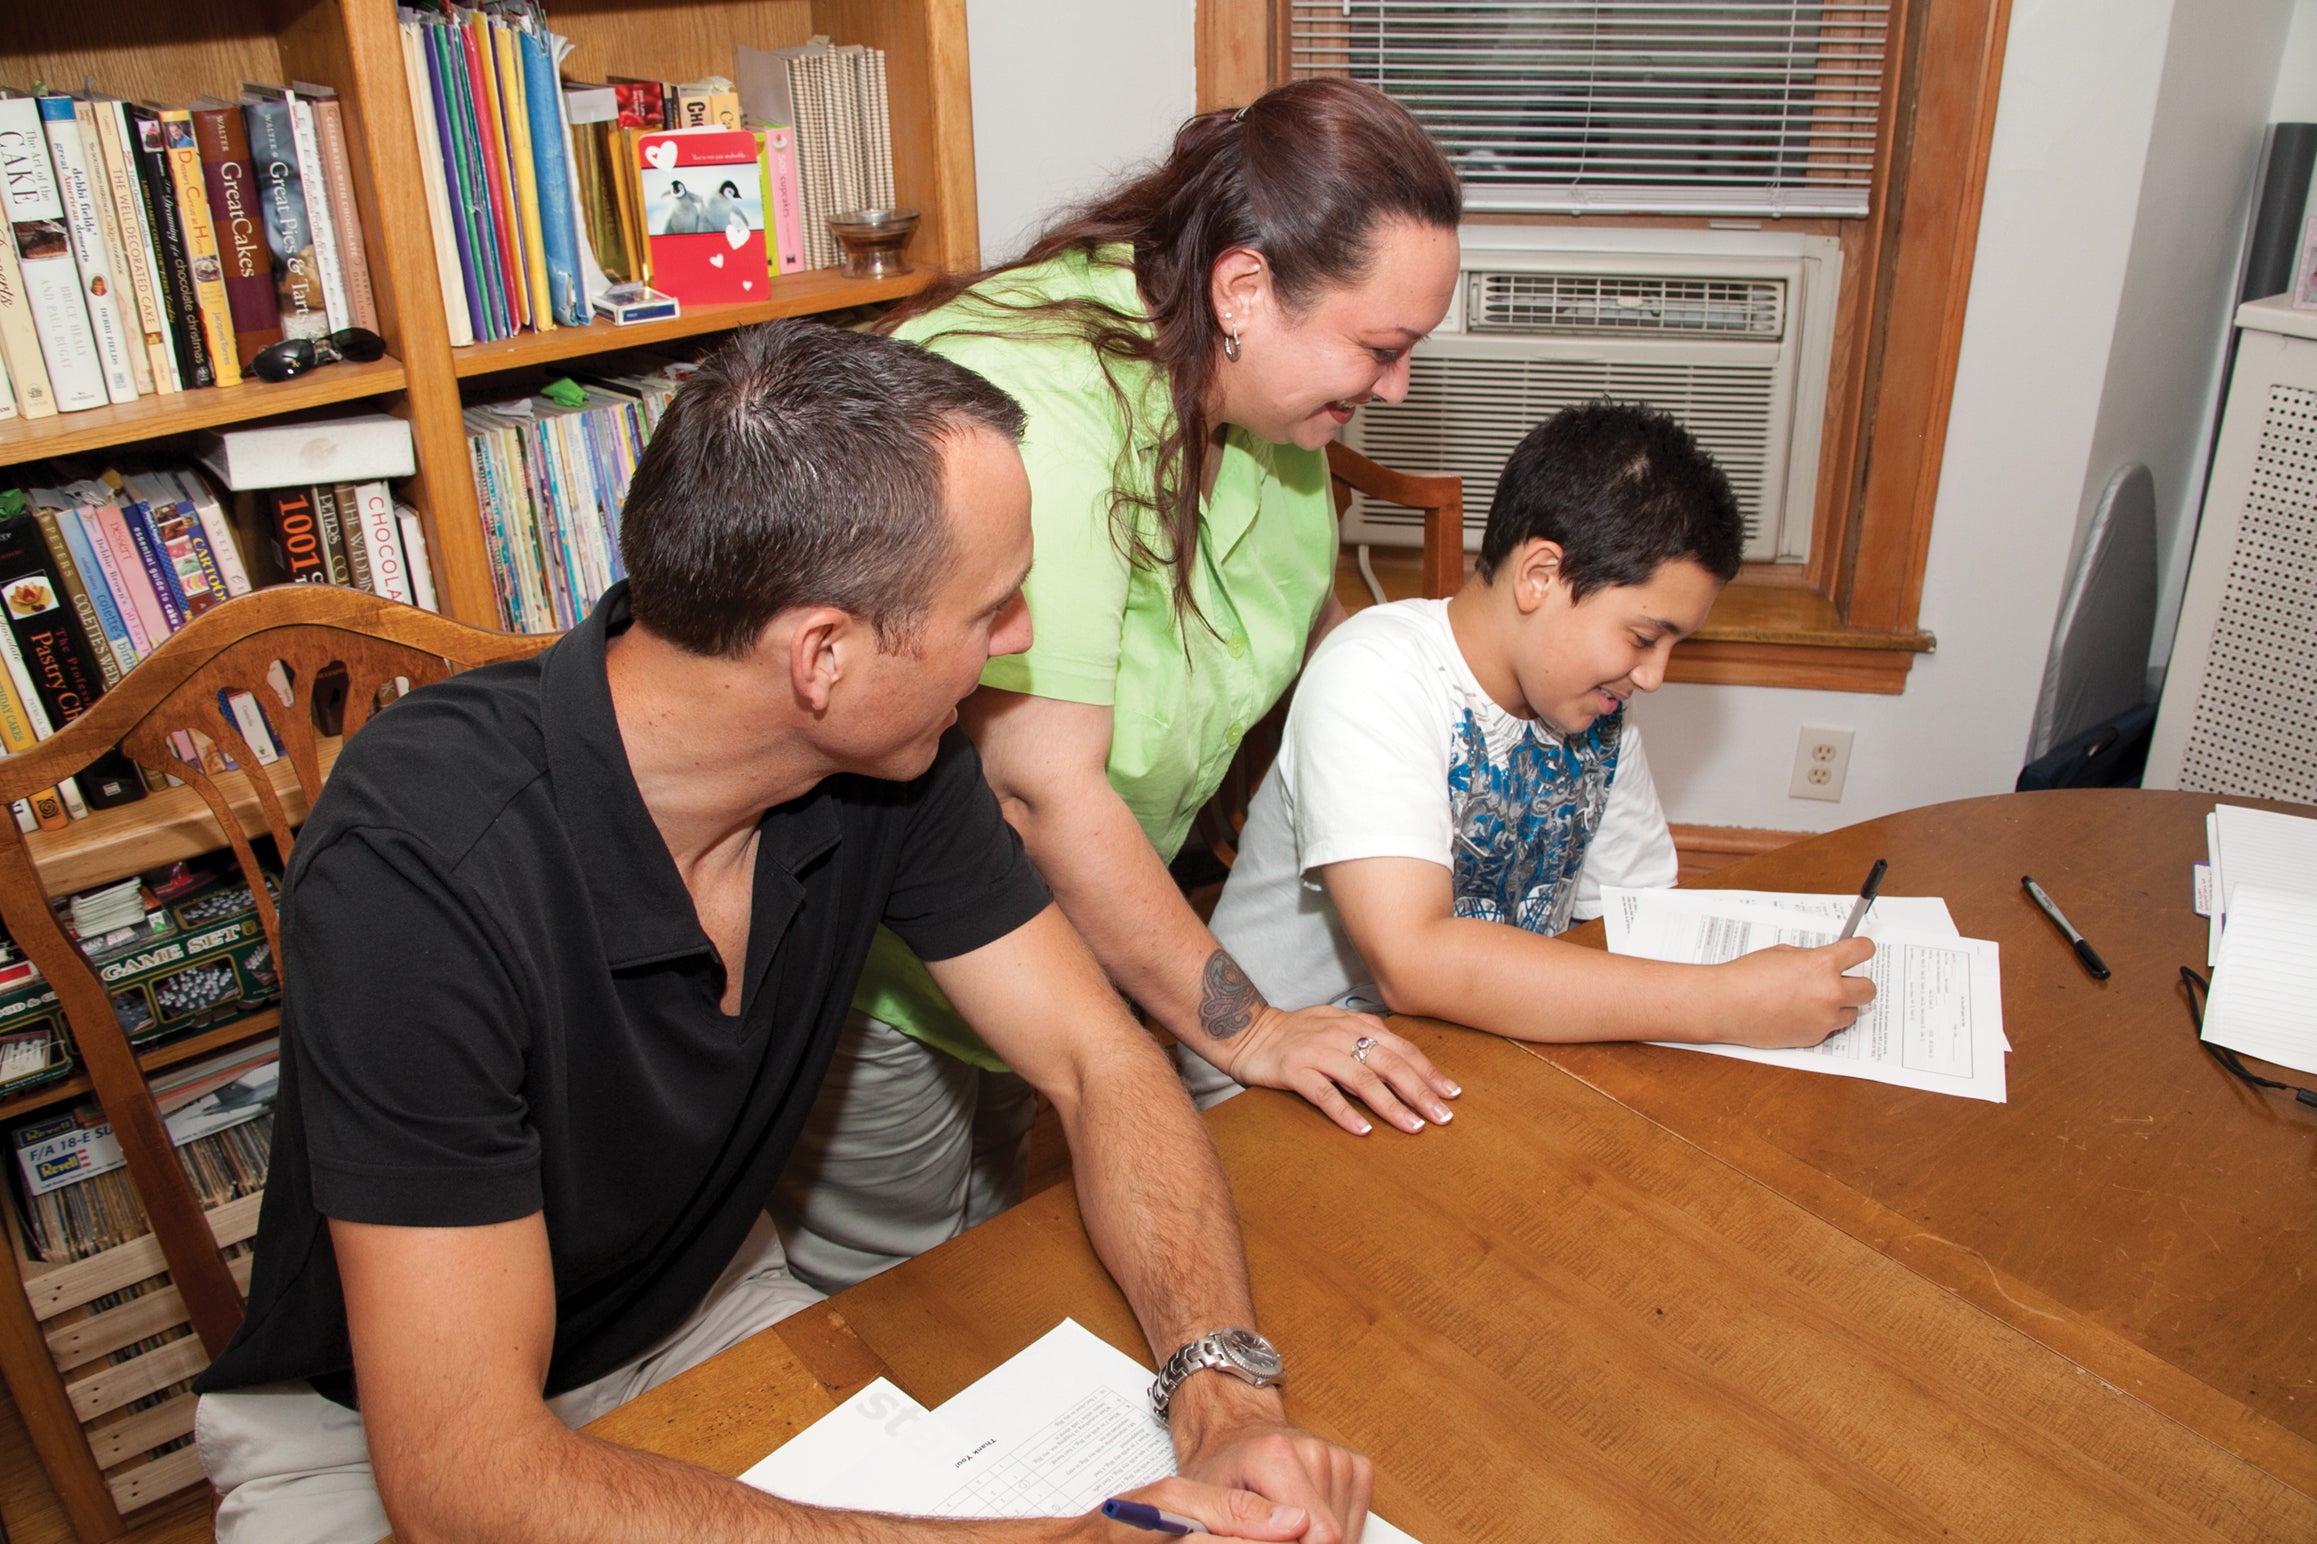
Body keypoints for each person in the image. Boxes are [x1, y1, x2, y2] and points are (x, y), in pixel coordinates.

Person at [191, 321, 1372, 1544]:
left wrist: (1221, 1380)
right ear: (824, 654)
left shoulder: (892, 759)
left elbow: (1100, 1059)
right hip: (370, 1435)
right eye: (992, 604)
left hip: (694, 1312)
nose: (1016, 638)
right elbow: (463, 1482)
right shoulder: (415, 864)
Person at [771, 79, 1471, 1300]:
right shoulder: (1037, 410)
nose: (1396, 388)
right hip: (895, 972)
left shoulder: (1265, 413)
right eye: (1380, 347)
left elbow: (1322, 652)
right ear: (1245, 289)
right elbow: (1042, 791)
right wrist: (1249, 1028)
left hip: (1063, 955)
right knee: (894, 1312)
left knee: (1007, 1264)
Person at [1201, 403, 1876, 1067]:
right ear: (1539, 576)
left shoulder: (1591, 708)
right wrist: (1727, 1004)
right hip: (1272, 1086)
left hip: (1463, 1055)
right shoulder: (1375, 670)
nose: (1653, 676)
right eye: (1643, 637)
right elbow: (1415, 961)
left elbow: (1633, 922)